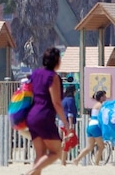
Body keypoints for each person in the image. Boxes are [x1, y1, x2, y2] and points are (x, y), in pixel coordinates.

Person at [23, 47, 68, 175]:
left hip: (31, 116)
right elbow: (56, 103)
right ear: (57, 61)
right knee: (56, 152)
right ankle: (29, 173)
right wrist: (66, 123)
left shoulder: (35, 74)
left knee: (40, 155)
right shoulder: (53, 77)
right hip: (44, 116)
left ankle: (32, 172)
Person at [72, 90, 107, 166]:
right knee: (101, 146)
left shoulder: (95, 105)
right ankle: (96, 163)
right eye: (104, 96)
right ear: (101, 98)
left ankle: (77, 159)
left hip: (90, 125)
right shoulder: (101, 105)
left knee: (89, 147)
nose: (106, 97)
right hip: (96, 126)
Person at [59, 84, 78, 166]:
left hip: (62, 121)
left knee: (70, 141)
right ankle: (63, 160)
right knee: (73, 141)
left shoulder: (64, 100)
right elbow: (70, 113)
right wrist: (70, 125)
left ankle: (63, 160)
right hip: (67, 123)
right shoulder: (70, 100)